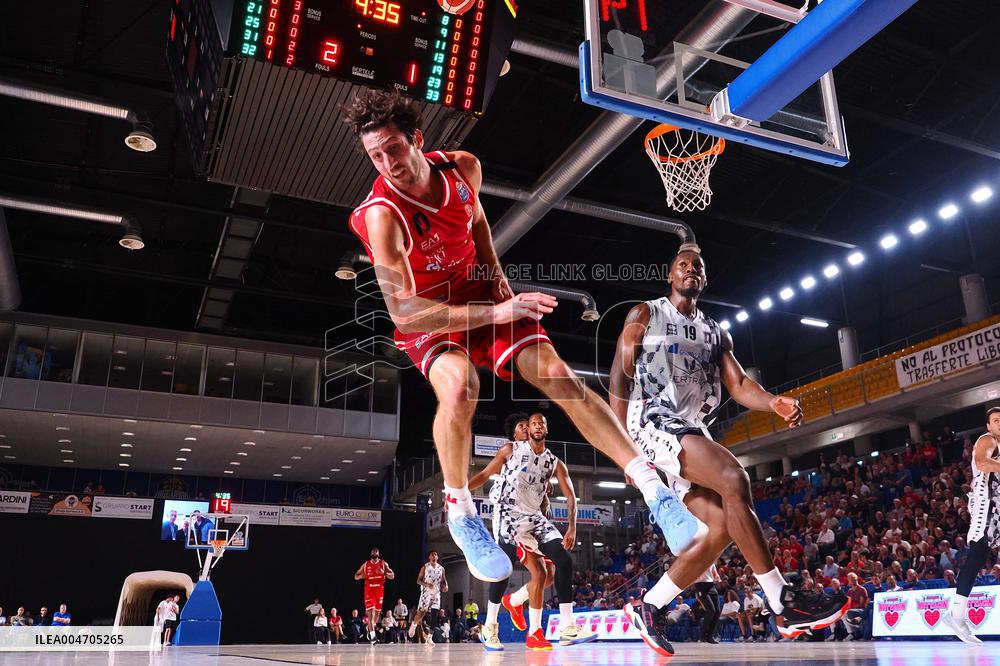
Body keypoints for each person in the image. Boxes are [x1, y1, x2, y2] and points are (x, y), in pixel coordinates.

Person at [342, 89, 702, 584]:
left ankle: (654, 490)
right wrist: (497, 311)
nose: (387, 163)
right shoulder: (382, 214)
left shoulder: (463, 168)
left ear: (417, 140)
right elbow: (403, 313)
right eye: (375, 156)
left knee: (562, 378)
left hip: (483, 295)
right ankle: (461, 511)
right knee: (460, 386)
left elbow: (477, 222)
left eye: (393, 149)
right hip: (431, 313)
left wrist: (495, 276)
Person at [611, 245, 848, 655]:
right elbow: (619, 376)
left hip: (690, 426)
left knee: (719, 528)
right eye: (682, 265)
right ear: (670, 276)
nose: (690, 269)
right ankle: (782, 601)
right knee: (733, 477)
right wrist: (624, 453)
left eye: (697, 266)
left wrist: (773, 402)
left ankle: (650, 605)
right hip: (651, 417)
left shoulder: (716, 331)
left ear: (704, 279)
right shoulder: (645, 314)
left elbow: (737, 385)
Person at [468, 412, 597, 650]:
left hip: (534, 518)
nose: (532, 428)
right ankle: (490, 626)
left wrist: (571, 526)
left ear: (546, 429)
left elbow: (569, 495)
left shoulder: (553, 461)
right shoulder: (511, 450)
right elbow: (485, 474)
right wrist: (458, 494)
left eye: (538, 424)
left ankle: (562, 625)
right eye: (528, 425)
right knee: (506, 569)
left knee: (561, 562)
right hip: (508, 514)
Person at [945, 406, 1000, 645]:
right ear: (989, 426)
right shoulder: (988, 440)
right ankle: (956, 616)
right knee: (978, 554)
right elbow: (983, 463)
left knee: (981, 555)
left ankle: (955, 616)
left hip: (997, 507)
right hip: (985, 505)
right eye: (996, 420)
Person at [354, 547, 395, 644]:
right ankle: (373, 636)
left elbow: (392, 576)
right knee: (370, 613)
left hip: (379, 590)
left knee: (376, 615)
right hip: (369, 590)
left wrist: (383, 572)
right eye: (373, 552)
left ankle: (369, 629)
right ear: (371, 553)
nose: (375, 553)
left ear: (379, 554)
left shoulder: (383, 564)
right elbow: (356, 576)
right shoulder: (366, 564)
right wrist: (362, 576)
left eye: (376, 552)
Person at [409, 550, 447, 640]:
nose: (434, 556)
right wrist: (426, 584)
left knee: (435, 615)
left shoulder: (441, 568)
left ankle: (429, 638)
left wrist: (446, 586)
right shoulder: (425, 567)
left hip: (436, 594)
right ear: (429, 557)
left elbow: (444, 580)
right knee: (421, 614)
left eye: (436, 554)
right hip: (426, 593)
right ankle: (414, 624)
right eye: (432, 554)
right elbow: (418, 580)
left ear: (437, 557)